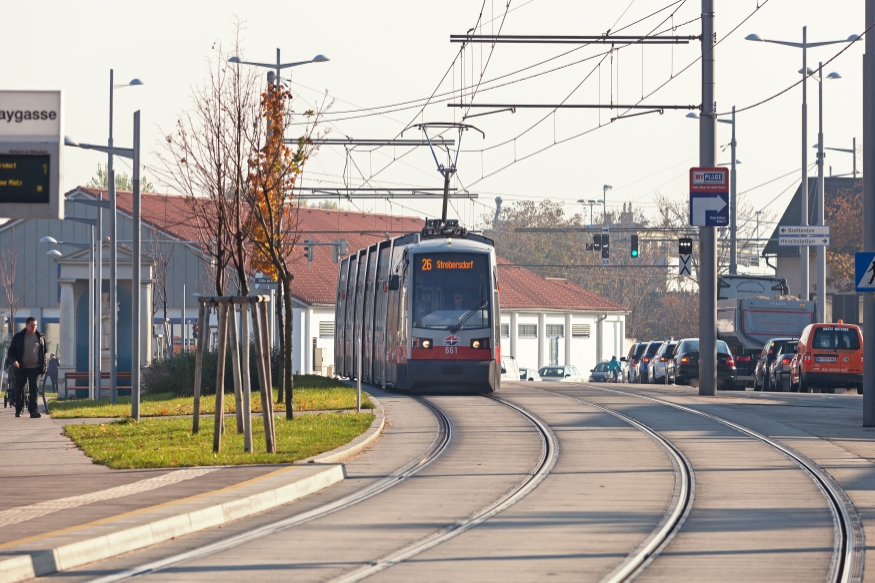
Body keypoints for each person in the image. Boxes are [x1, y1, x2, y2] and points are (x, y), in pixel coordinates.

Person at [8, 317, 47, 418]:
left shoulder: (41, 337)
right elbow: (11, 351)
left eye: (35, 325)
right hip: (21, 367)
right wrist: (14, 361)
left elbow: (44, 353)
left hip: (36, 368)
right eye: (32, 325)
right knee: (19, 389)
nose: (34, 327)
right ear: (26, 325)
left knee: (34, 389)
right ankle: (19, 409)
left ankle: (33, 411)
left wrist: (43, 367)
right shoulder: (19, 337)